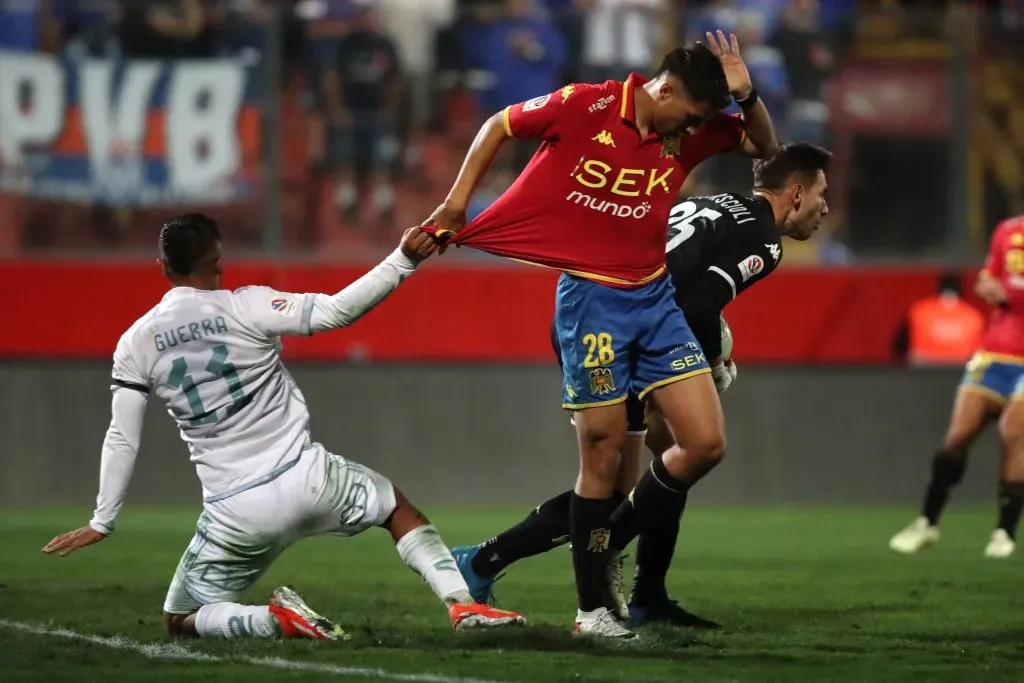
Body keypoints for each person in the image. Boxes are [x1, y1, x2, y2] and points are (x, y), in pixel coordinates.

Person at [423, 33, 778, 638]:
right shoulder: (586, 104)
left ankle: (581, 556)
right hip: (591, 305)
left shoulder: (686, 132)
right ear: (665, 90)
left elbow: (765, 148)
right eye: (692, 115)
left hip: (656, 300)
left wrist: (747, 95)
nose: (694, 129)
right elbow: (498, 125)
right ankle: (592, 609)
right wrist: (457, 205)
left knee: (704, 443)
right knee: (604, 457)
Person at [42, 214, 526, 640]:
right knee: (397, 510)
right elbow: (337, 311)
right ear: (218, 260)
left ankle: (273, 622)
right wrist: (403, 259)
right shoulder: (248, 306)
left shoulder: (136, 343)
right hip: (309, 479)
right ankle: (462, 604)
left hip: (235, 511)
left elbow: (122, 436)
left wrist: (103, 520)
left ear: (162, 266)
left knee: (181, 618)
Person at [452, 142, 831, 628]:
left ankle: (646, 593)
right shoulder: (763, 240)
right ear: (796, 194)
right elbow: (697, 307)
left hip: (610, 317)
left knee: (669, 463)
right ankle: (501, 562)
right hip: (618, 330)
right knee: (629, 486)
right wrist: (713, 360)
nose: (825, 208)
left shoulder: (710, 203)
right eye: (821, 195)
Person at [889, 216, 1024, 560]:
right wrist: (987, 286)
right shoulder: (1008, 231)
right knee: (958, 436)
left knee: (1012, 432)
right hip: (994, 353)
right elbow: (987, 278)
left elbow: (1011, 289)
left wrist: (1011, 293)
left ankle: (1004, 531)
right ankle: (927, 522)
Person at [890, 272, 984, 366]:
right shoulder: (973, 316)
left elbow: (899, 348)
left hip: (922, 370)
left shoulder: (919, 311)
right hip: (960, 371)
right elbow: (979, 355)